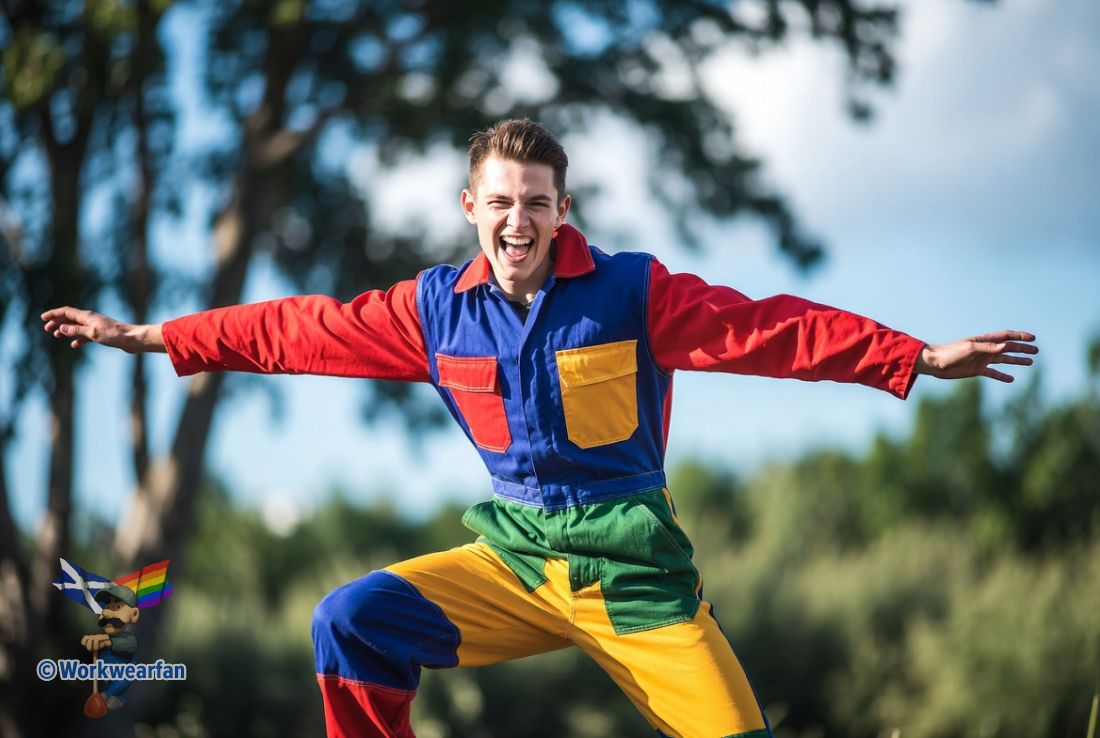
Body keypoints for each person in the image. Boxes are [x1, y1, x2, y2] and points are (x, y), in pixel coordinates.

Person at [42, 119, 1037, 738]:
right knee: (349, 620)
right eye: (500, 203)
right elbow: (296, 330)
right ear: (470, 207)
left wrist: (912, 356)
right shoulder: (434, 311)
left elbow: (768, 330)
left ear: (563, 210)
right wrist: (155, 336)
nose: (517, 221)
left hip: (633, 578)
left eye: (536, 204)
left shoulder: (630, 292)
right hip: (512, 565)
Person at [80, 584, 141, 711]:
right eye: (107, 607)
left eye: (117, 607)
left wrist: (107, 641)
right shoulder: (105, 638)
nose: (107, 612)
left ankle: (110, 695)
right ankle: (110, 696)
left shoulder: (129, 640)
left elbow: (128, 645)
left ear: (134, 614)